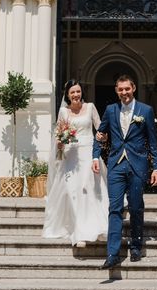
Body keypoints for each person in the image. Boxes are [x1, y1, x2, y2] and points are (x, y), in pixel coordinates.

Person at [93, 75, 157, 269]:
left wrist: (156, 167)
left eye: (127, 89)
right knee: (114, 209)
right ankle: (112, 253)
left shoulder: (145, 111)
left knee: (136, 207)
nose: (124, 93)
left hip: (137, 166)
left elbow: (153, 142)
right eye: (120, 89)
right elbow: (100, 134)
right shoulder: (110, 110)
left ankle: (136, 245)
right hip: (116, 166)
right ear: (116, 91)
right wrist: (95, 156)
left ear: (134, 89)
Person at [42, 80, 108, 247]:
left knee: (91, 189)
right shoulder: (64, 112)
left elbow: (100, 128)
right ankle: (79, 233)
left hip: (89, 152)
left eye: (78, 91)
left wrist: (103, 137)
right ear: (68, 95)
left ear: (81, 92)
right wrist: (60, 142)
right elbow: (59, 135)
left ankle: (100, 228)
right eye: (72, 92)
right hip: (71, 154)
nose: (76, 95)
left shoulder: (91, 107)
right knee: (73, 191)